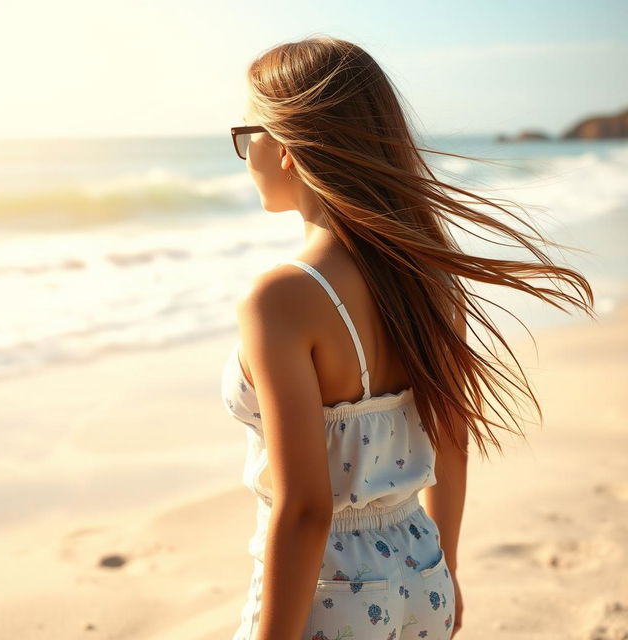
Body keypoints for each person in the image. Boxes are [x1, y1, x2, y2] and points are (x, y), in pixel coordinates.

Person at [222, 35, 595, 640]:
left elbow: (306, 508)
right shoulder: (425, 274)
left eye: (247, 135)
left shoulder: (282, 299)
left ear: (287, 147)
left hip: (327, 591)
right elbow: (451, 441)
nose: (245, 155)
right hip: (422, 567)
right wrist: (445, 569)